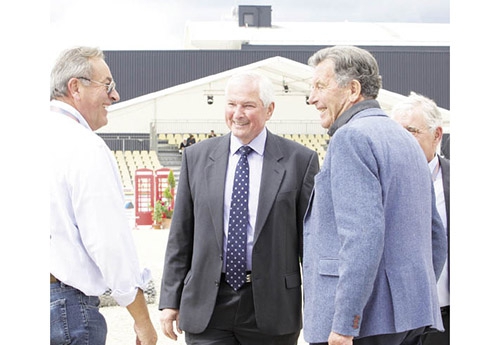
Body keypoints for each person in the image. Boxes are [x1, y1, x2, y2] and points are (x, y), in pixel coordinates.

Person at [158, 70, 319, 344]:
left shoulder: (300, 161)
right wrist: (169, 301)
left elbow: (312, 245)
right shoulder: (196, 157)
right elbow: (181, 236)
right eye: (231, 104)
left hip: (272, 308)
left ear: (269, 110)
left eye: (248, 105)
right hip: (208, 305)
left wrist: (319, 308)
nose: (238, 113)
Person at [302, 45, 447, 345]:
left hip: (361, 326)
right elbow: (436, 236)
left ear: (353, 89)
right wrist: (414, 298)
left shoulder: (351, 138)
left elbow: (362, 237)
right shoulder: (407, 140)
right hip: (408, 318)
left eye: (320, 86)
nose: (311, 97)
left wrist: (344, 324)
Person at [49, 46, 157, 345]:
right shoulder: (85, 146)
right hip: (65, 310)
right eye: (107, 85)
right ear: (75, 87)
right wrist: (142, 321)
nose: (115, 96)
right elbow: (110, 244)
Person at [391, 92, 450, 345]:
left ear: (437, 135)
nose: (401, 140)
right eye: (396, 132)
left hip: (448, 316)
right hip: (398, 321)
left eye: (411, 131)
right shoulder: (381, 181)